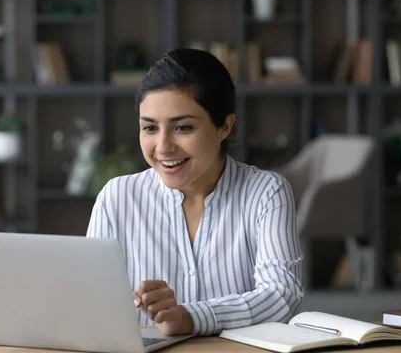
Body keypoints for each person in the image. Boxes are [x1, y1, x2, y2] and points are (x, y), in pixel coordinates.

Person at [86, 48, 304, 337]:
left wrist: (190, 316)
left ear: (224, 126)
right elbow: (88, 304)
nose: (163, 147)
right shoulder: (117, 197)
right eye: (150, 128)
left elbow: (281, 295)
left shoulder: (265, 193)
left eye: (183, 127)